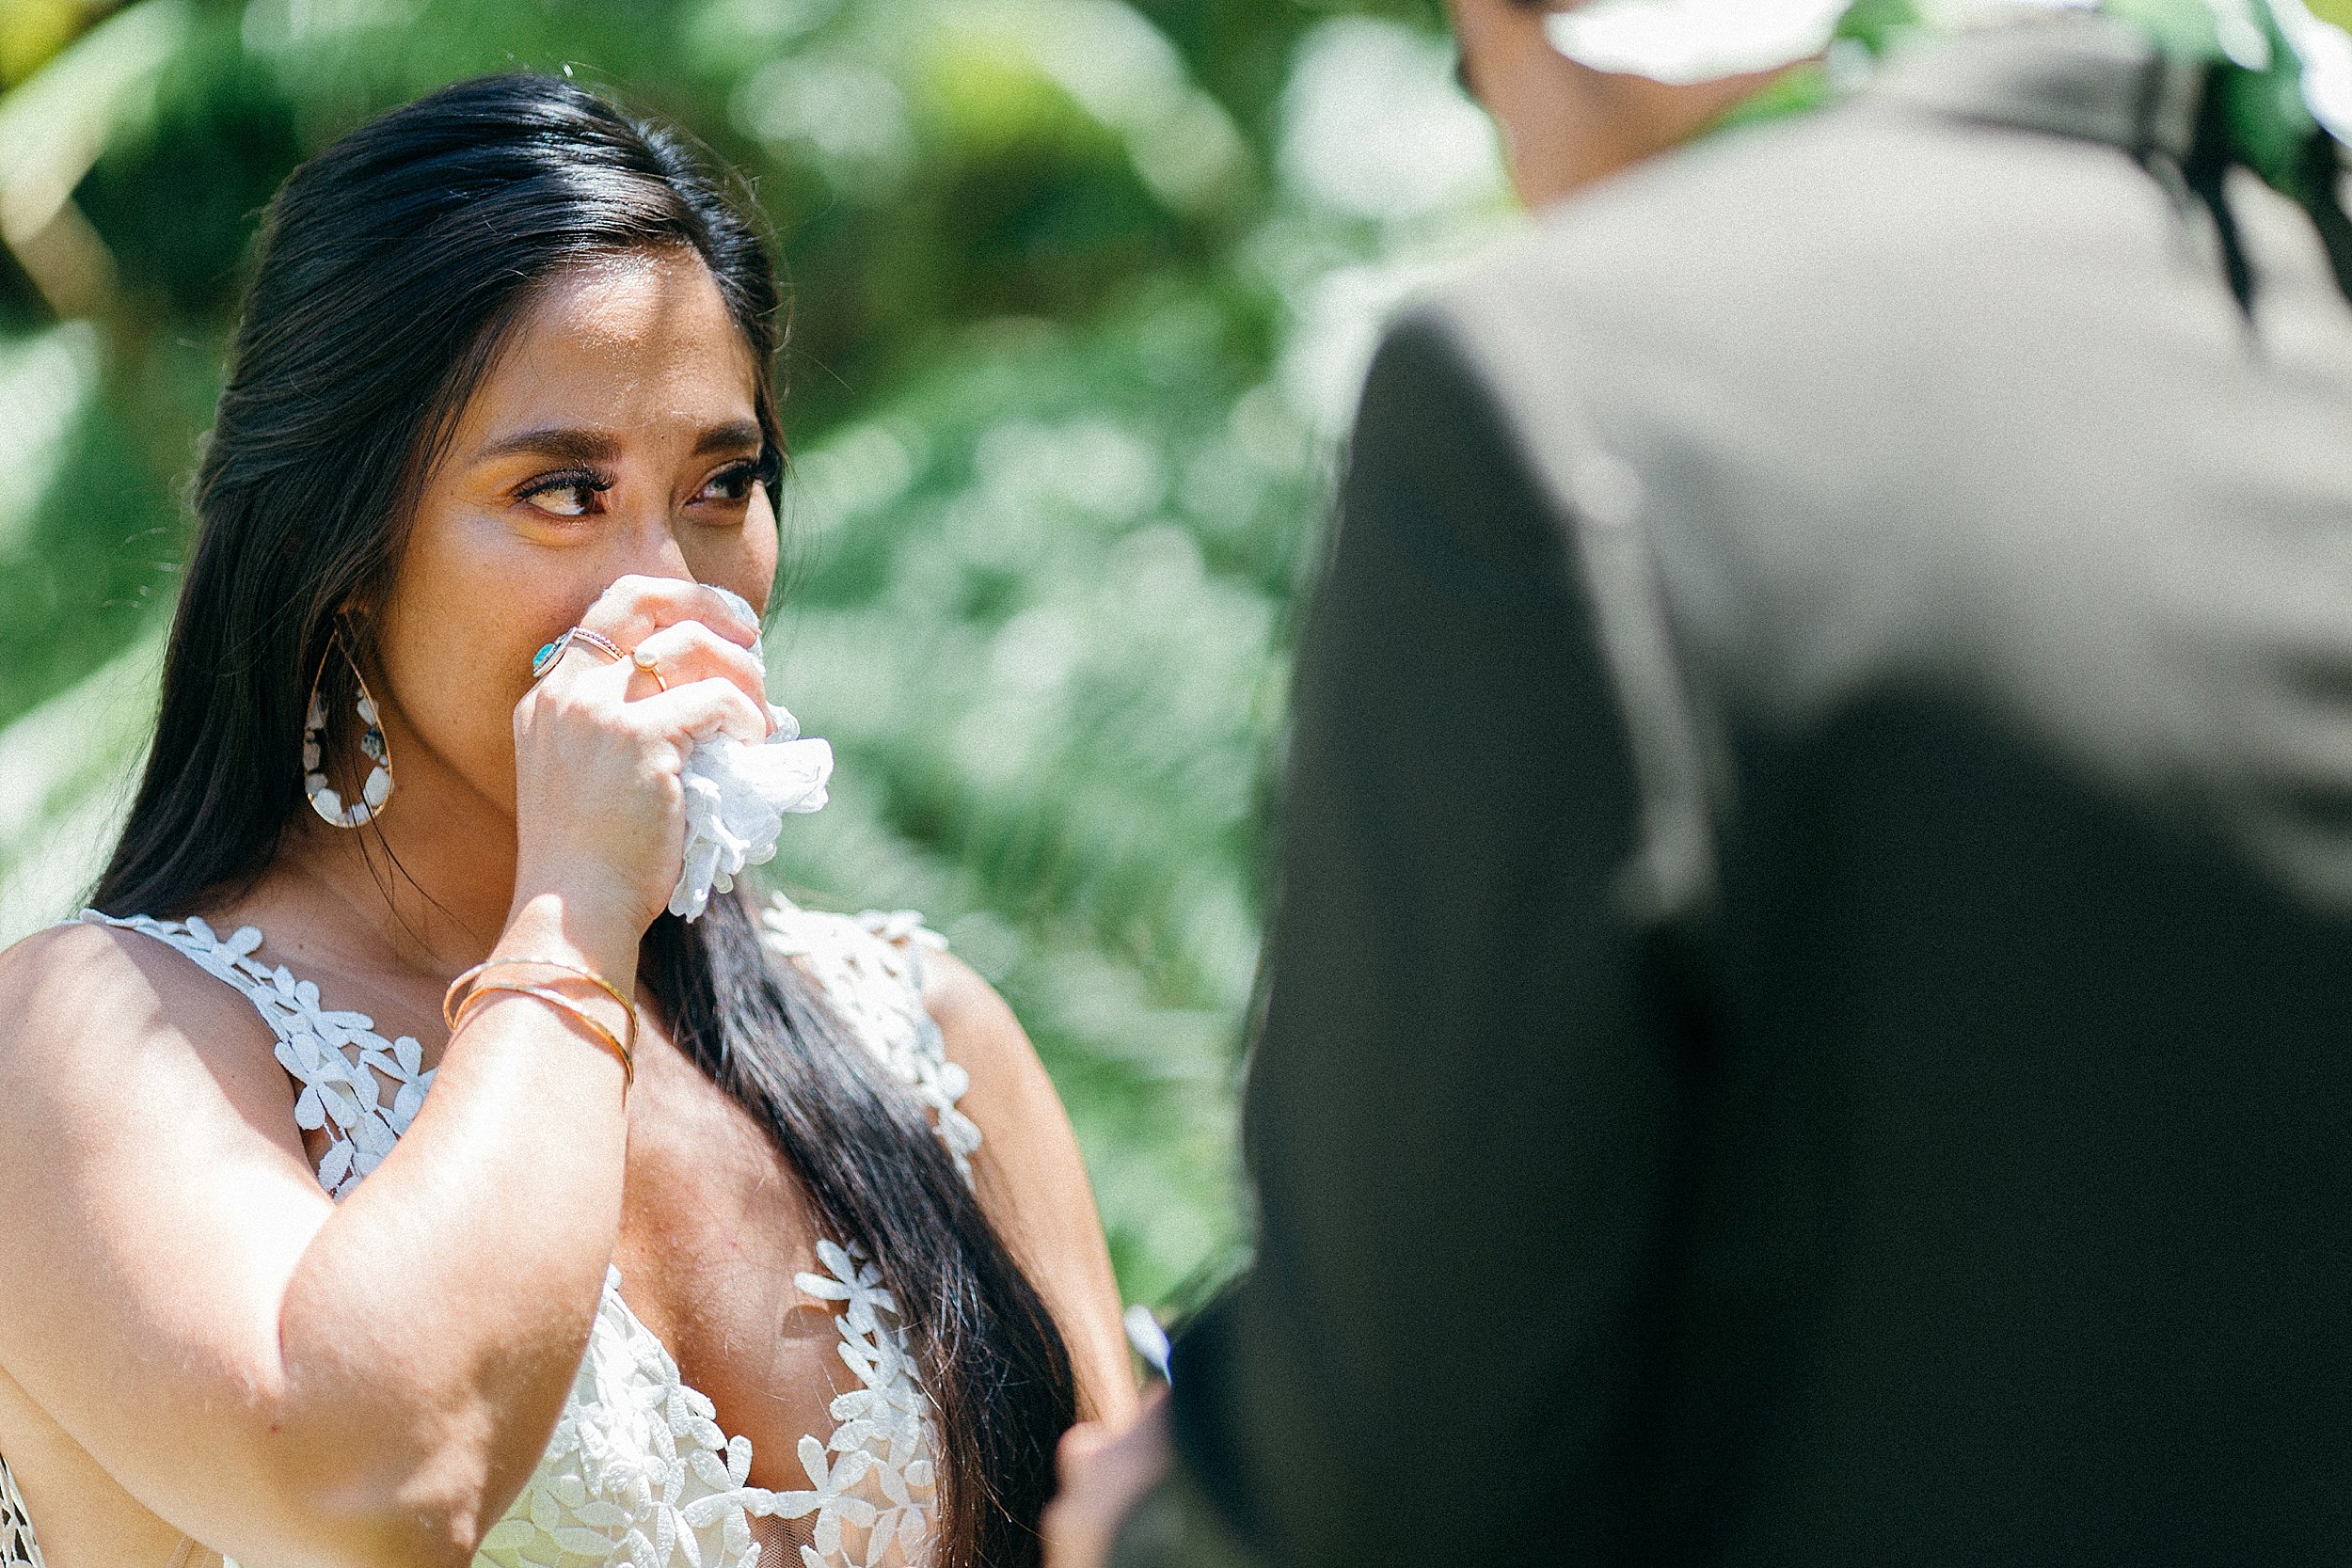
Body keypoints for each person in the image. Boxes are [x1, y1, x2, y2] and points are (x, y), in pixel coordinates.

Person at [1048, 0, 2352, 1564]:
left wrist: (1162, 1525)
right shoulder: (2282, 269)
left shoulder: (1561, 397)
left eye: (1474, 74)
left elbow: (1387, 1499)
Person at [0, 74, 1136, 1568]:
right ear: (346, 551)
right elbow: (374, 1487)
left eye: (724, 483)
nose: (664, 584)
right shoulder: (89, 1036)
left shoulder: (923, 1040)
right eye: (561, 493)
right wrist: (572, 913)